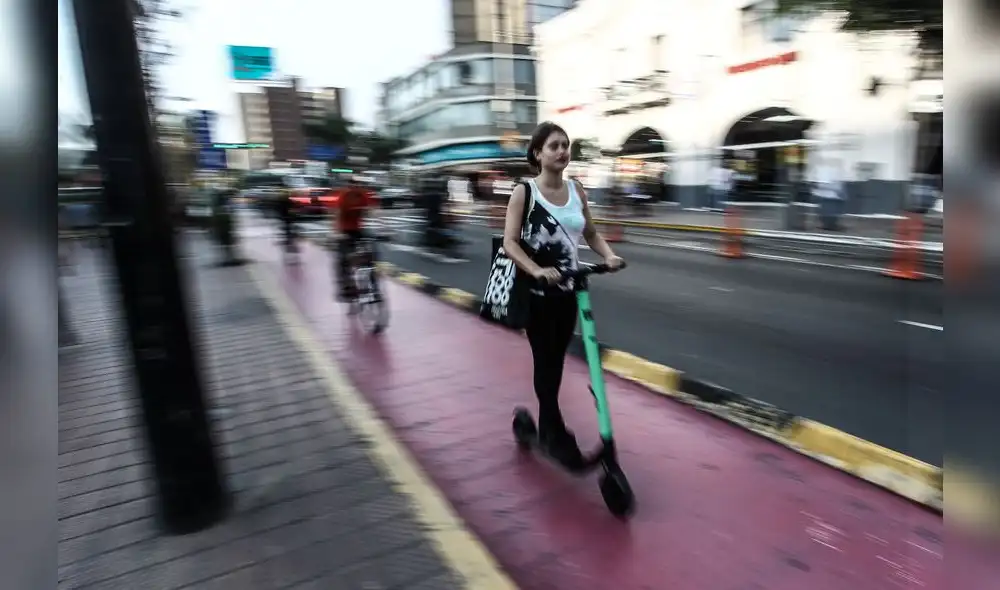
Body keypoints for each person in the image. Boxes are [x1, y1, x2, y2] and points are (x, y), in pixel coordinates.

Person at [502, 121, 625, 469]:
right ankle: (553, 433)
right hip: (538, 293)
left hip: (570, 291)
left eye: (565, 145)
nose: (561, 151)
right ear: (538, 153)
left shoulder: (577, 190)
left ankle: (546, 428)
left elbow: (591, 233)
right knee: (547, 362)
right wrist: (537, 269)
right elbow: (510, 242)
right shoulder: (524, 192)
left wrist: (609, 256)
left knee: (556, 359)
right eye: (554, 145)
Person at [333, 176, 374, 300]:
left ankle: (372, 280)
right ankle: (345, 286)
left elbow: (372, 211)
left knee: (370, 253)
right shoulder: (344, 196)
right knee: (342, 259)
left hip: (358, 230)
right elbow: (337, 214)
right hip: (344, 230)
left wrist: (385, 228)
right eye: (352, 185)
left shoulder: (363, 195)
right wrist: (337, 232)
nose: (355, 187)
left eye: (357, 185)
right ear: (348, 186)